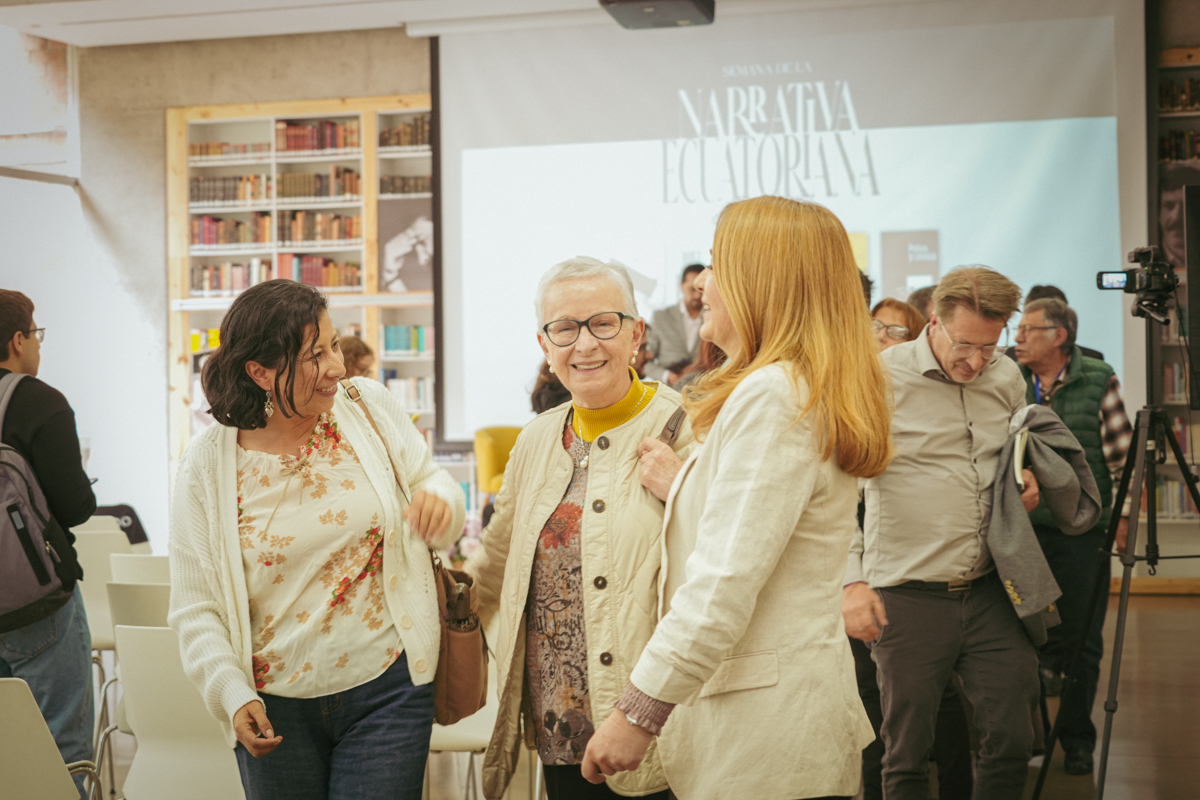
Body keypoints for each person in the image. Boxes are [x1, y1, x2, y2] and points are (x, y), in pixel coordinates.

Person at [582, 196, 891, 799]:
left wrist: (638, 713)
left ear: (761, 283)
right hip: (771, 734)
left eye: (717, 265)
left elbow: (723, 583)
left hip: (767, 742)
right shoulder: (788, 387)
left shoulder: (775, 395)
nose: (702, 283)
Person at [168, 279, 465, 800]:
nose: (337, 367)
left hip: (389, 687)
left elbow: (430, 479)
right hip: (272, 706)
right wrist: (230, 692)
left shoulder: (367, 406)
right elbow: (196, 606)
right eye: (314, 356)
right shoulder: (206, 465)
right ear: (259, 372)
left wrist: (441, 502)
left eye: (334, 345)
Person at [466, 257, 693, 800]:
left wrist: (684, 488)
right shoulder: (535, 441)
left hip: (655, 720)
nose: (585, 344)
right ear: (545, 345)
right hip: (560, 722)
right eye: (565, 329)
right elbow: (496, 562)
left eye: (603, 324)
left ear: (636, 334)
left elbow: (723, 566)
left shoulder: (686, 427)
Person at [842, 266, 1043, 800]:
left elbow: (1016, 456)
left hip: (991, 589)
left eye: (989, 346)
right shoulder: (878, 377)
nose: (975, 361)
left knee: (1013, 737)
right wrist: (851, 581)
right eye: (964, 345)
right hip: (906, 594)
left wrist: (1025, 480)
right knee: (905, 753)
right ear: (933, 320)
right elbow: (838, 492)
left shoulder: (1006, 377)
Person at [859, 290, 973, 800]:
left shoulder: (926, 402)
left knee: (938, 697)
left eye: (897, 331)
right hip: (860, 561)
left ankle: (955, 786)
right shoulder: (858, 393)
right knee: (871, 695)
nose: (883, 338)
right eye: (875, 327)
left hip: (913, 576)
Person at [1013, 297, 1131, 775]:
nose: (1016, 338)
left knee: (1082, 642)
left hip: (1082, 534)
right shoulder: (1008, 379)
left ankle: (1078, 740)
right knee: (1027, 643)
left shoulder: (1098, 378)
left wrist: (1122, 523)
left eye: (1027, 329)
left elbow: (1123, 459)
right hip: (1021, 534)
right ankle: (1033, 738)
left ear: (1058, 336)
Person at [0, 289, 96, 800]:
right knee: (61, 752)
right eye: (35, 334)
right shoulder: (40, 401)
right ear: (18, 340)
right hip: (39, 606)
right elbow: (76, 507)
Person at [644, 264, 705, 385]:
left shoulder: (714, 318)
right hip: (669, 390)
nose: (697, 295)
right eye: (692, 289)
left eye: (701, 290)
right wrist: (667, 376)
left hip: (704, 389)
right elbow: (644, 361)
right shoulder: (661, 317)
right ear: (681, 287)